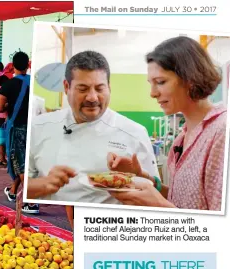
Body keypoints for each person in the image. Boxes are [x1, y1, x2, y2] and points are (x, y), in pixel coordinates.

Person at [25, 51, 159, 207]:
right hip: (48, 224)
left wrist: (131, 179)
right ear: (66, 87)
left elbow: (153, 196)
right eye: (83, 89)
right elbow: (22, 187)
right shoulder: (38, 127)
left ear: (109, 87)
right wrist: (43, 184)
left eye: (100, 89)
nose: (92, 97)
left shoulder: (134, 133)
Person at [110, 37, 225, 211]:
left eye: (161, 82)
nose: (152, 93)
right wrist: (141, 177)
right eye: (151, 84)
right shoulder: (182, 138)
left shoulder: (222, 133)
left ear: (190, 77)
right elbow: (183, 200)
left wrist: (159, 205)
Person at [0, 51, 37, 213]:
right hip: (34, 128)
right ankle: (13, 192)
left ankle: (30, 202)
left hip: (18, 128)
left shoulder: (9, 85)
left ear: (13, 66)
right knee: (28, 163)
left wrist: (8, 106)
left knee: (20, 165)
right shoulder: (35, 83)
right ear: (28, 65)